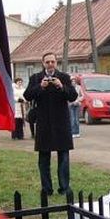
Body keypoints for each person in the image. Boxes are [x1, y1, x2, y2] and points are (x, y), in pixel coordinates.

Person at [24, 52, 78, 196]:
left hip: (61, 123)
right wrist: (40, 87)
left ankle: (64, 188)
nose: (50, 64)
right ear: (43, 63)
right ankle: (46, 189)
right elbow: (27, 95)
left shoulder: (64, 77)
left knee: (64, 157)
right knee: (43, 159)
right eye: (47, 62)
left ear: (56, 62)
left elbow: (73, 96)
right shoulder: (35, 78)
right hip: (44, 123)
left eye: (52, 62)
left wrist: (61, 86)